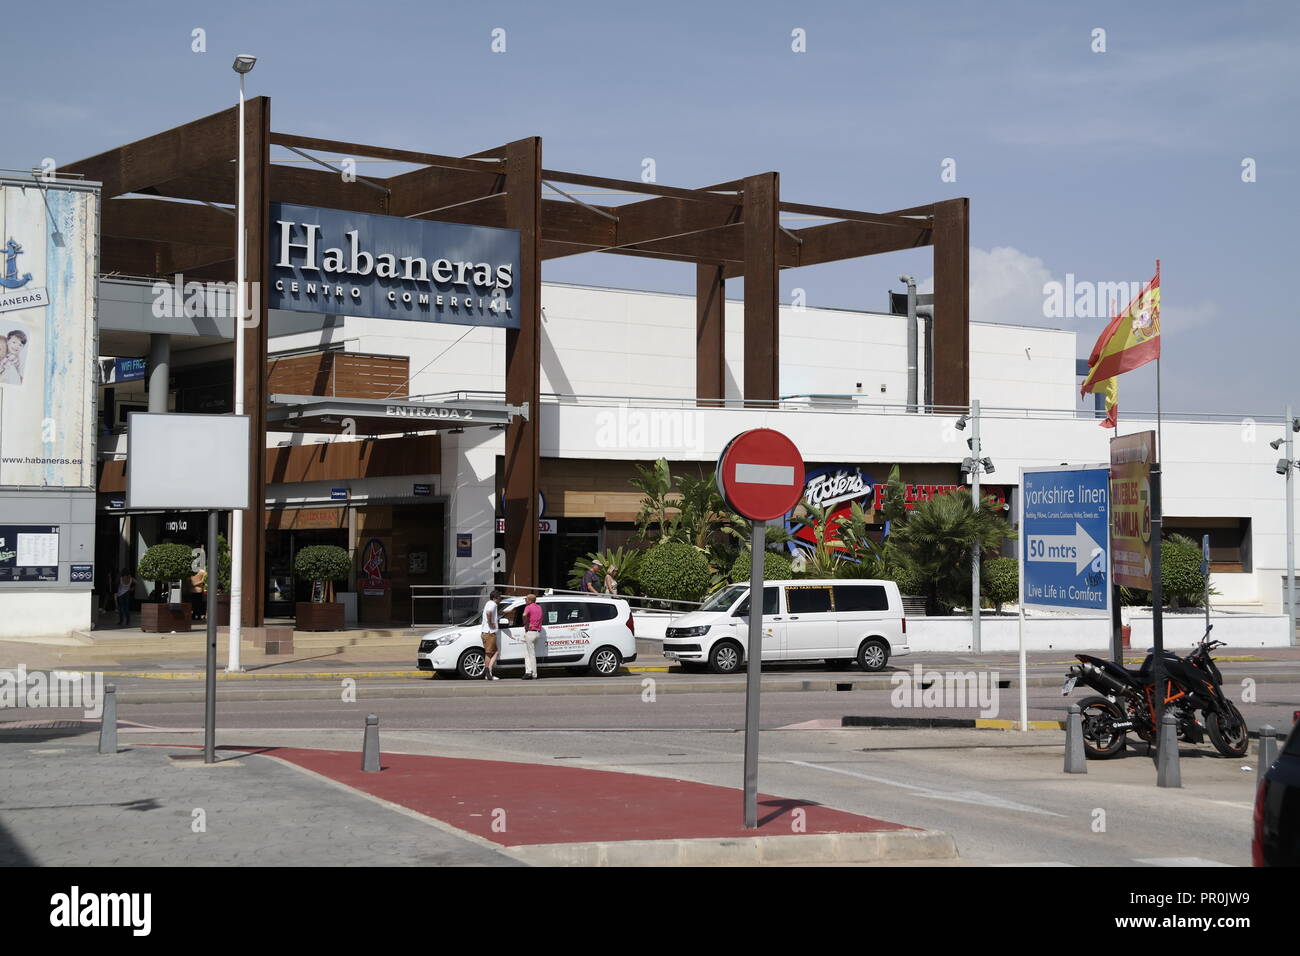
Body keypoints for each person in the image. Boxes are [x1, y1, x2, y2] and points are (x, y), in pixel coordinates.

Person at [481, 589, 503, 680]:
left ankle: (488, 672)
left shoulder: (488, 603)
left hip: (486, 632)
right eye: (499, 598)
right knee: (490, 653)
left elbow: (491, 613)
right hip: (489, 633)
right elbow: (489, 613)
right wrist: (491, 623)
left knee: (493, 652)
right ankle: (488, 672)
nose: (500, 600)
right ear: (495, 598)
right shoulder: (493, 604)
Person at [520, 593, 543, 680]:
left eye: (526, 599)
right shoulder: (539, 607)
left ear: (530, 600)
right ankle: (528, 672)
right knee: (528, 654)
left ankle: (534, 674)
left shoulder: (528, 607)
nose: (525, 600)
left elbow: (524, 615)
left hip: (530, 632)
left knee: (531, 654)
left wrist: (525, 623)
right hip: (537, 632)